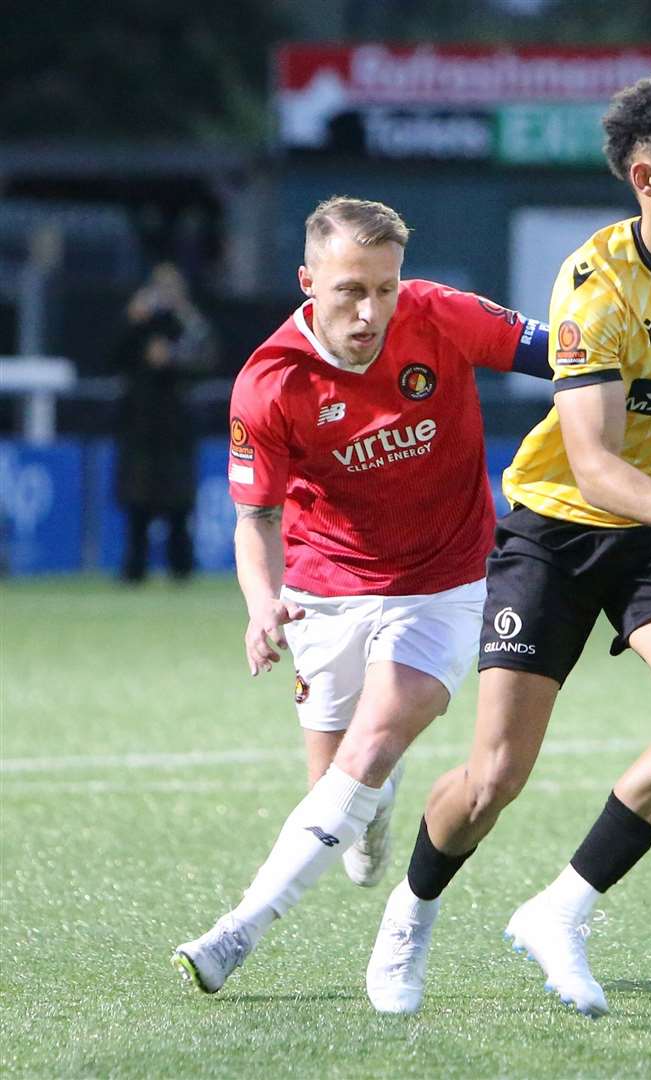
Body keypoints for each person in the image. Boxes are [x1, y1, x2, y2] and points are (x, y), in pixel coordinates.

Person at [363, 65, 651, 1019]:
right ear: (646, 178)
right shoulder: (594, 283)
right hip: (560, 529)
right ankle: (409, 912)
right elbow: (596, 464)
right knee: (493, 778)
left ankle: (560, 910)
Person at [171, 196, 551, 994]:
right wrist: (259, 602)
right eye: (349, 290)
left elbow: (563, 357)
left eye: (385, 288)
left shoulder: (439, 314)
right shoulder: (269, 383)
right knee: (337, 786)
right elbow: (256, 518)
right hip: (325, 589)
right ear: (309, 281)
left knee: (372, 746)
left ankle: (238, 929)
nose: (371, 310)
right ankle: (368, 807)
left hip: (444, 582)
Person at [114, 262, 216, 583]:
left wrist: (172, 358)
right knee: (137, 504)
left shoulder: (189, 323)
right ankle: (134, 570)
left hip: (175, 429)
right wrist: (130, 322)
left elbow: (207, 359)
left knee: (178, 505)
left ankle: (181, 569)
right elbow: (112, 358)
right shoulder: (137, 323)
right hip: (139, 428)